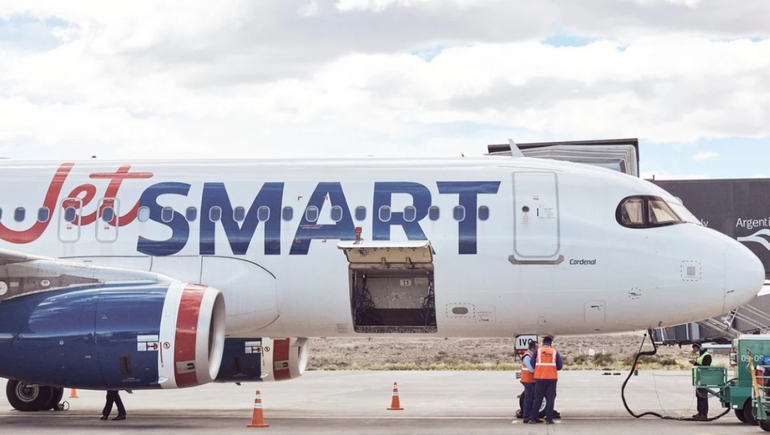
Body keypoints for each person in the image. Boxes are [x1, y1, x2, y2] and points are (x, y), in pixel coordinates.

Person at [529, 336, 562, 425]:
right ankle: (549, 419)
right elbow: (559, 367)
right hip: (551, 379)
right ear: (551, 344)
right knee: (550, 399)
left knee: (538, 399)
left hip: (539, 379)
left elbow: (532, 364)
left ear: (542, 343)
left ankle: (533, 418)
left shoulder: (537, 351)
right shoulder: (555, 352)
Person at [689, 343, 712, 420]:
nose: (694, 350)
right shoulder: (701, 355)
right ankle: (700, 413)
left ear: (699, 348)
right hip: (699, 378)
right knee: (699, 396)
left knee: (703, 396)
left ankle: (704, 414)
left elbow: (706, 367)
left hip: (704, 378)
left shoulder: (707, 356)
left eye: (695, 349)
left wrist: (695, 363)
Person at [520, 340, 539, 423]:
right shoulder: (527, 356)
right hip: (528, 380)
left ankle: (533, 416)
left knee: (533, 399)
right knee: (528, 399)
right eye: (536, 347)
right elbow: (531, 369)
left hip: (532, 380)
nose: (538, 349)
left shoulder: (531, 355)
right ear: (532, 347)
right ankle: (526, 417)